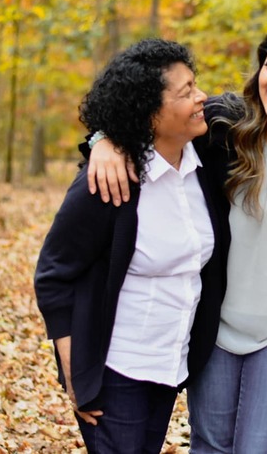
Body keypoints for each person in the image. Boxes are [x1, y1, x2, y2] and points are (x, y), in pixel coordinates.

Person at [85, 17, 267, 452]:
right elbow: (151, 122)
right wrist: (103, 140)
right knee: (210, 443)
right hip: (217, 320)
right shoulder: (223, 130)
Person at [34, 38, 228, 453]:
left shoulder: (207, 156)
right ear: (150, 113)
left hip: (171, 366)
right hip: (115, 372)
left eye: (197, 84)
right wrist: (75, 373)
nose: (202, 97)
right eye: (187, 91)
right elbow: (52, 277)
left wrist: (99, 135)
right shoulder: (108, 183)